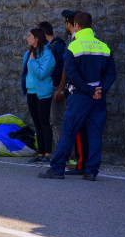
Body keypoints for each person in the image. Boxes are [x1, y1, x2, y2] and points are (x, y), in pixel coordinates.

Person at [39, 11, 116, 181]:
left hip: (80, 96)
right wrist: (100, 90)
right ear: (92, 26)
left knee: (68, 131)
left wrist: (88, 90)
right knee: (95, 133)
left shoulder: (73, 46)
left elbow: (72, 73)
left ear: (77, 26)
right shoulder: (104, 46)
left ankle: (57, 169)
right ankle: (91, 171)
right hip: (98, 97)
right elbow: (111, 73)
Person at [55, 10, 90, 176]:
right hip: (89, 90)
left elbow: (67, 70)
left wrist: (61, 88)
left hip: (76, 91)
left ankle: (76, 163)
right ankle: (82, 162)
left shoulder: (74, 43)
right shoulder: (92, 42)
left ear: (71, 24)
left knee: (74, 129)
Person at [21, 27, 55, 163]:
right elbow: (25, 73)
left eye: (30, 36)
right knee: (37, 123)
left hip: (43, 93)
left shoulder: (47, 54)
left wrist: (33, 61)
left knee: (44, 122)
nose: (27, 38)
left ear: (36, 38)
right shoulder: (28, 53)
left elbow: (42, 73)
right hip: (31, 92)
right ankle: (40, 153)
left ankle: (48, 153)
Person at [38, 20, 67, 153]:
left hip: (56, 86)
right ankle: (60, 151)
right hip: (50, 86)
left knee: (56, 120)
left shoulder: (57, 46)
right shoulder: (49, 46)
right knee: (52, 120)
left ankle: (64, 152)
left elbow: (63, 69)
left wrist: (60, 89)